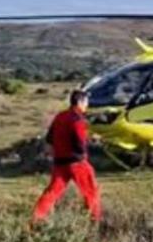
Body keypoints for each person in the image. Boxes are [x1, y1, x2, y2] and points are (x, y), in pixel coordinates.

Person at [33, 89, 102, 224]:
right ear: (80, 102)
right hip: (77, 163)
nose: (87, 105)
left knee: (52, 193)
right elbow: (79, 141)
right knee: (91, 192)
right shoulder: (78, 119)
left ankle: (36, 219)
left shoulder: (60, 116)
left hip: (59, 162)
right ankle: (95, 221)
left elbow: (49, 138)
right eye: (86, 102)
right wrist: (84, 151)